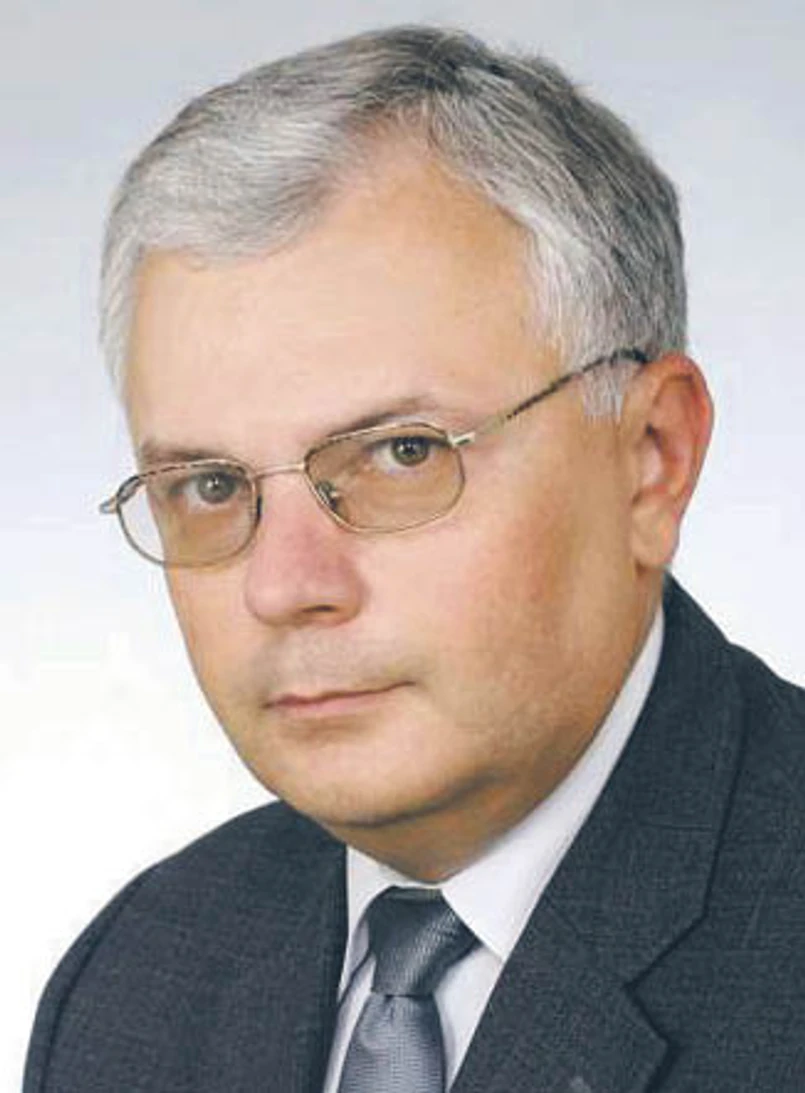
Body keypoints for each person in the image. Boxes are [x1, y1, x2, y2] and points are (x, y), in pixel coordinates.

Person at [24, 24, 805, 1093]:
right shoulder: (139, 980)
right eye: (209, 485)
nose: (284, 585)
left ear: (649, 459)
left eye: (401, 453)